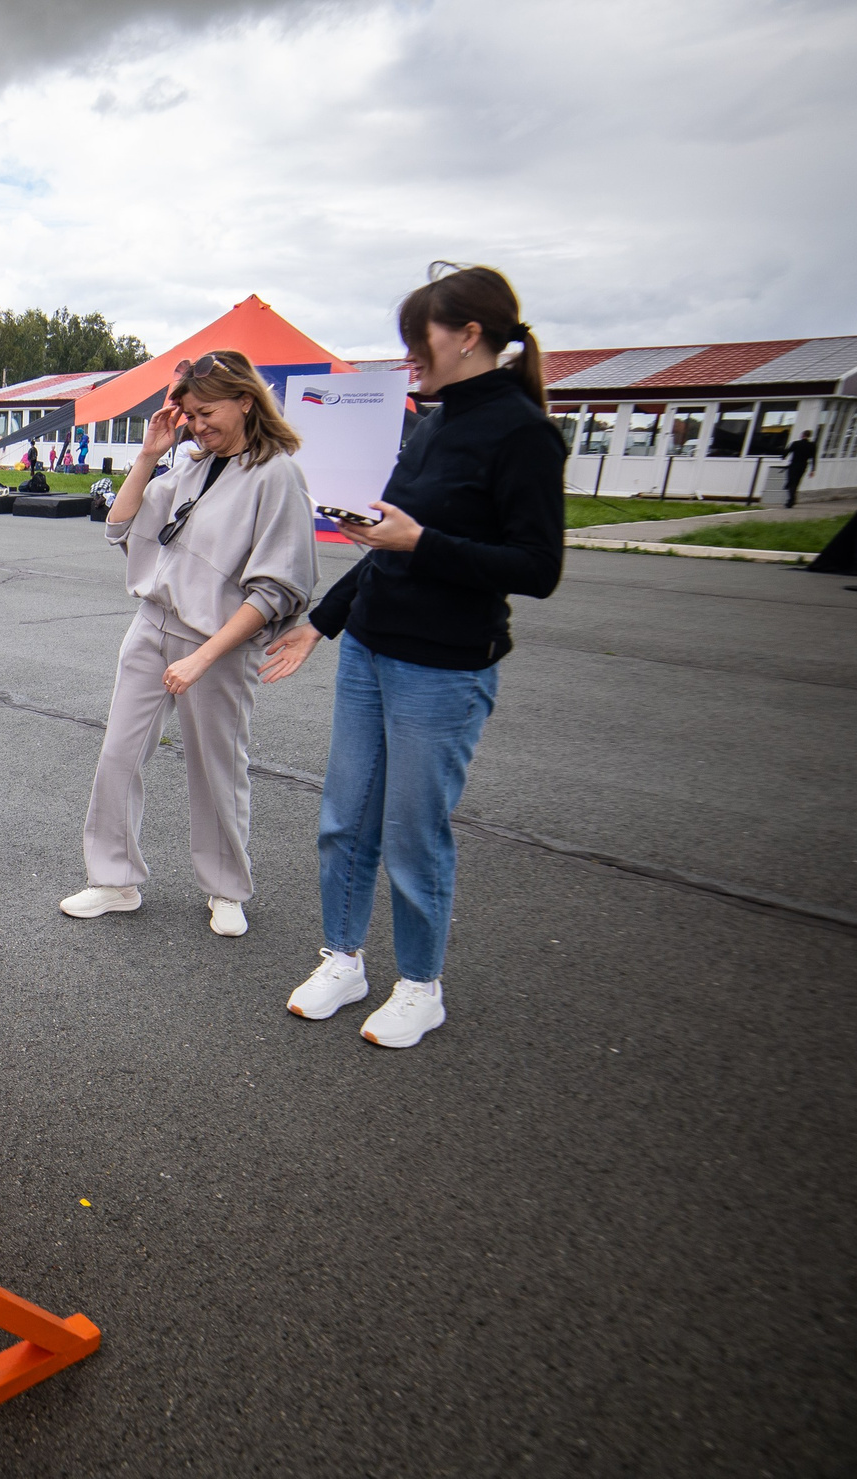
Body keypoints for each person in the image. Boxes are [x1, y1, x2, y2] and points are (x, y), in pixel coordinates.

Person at [259, 263, 565, 1049]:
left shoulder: (524, 433)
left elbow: (537, 567)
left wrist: (422, 541)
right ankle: (344, 959)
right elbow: (390, 546)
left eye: (417, 340)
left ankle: (421, 984)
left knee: (412, 830)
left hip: (446, 666)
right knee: (343, 820)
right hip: (370, 647)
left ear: (470, 335)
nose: (408, 359)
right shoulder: (431, 422)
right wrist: (321, 624)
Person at [60, 352, 318, 937]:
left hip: (220, 643)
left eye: (207, 412)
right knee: (118, 755)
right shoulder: (192, 466)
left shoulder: (276, 475)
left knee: (217, 769)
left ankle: (226, 890)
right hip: (154, 624)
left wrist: (204, 656)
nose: (197, 425)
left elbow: (277, 587)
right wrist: (150, 454)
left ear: (245, 401)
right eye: (190, 414)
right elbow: (119, 527)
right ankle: (115, 879)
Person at [783, 431, 817, 508]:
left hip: (794, 465)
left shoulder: (795, 443)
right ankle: (791, 500)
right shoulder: (812, 445)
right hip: (803, 466)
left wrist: (783, 455)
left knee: (791, 482)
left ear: (802, 435)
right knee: (797, 482)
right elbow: (813, 458)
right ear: (809, 436)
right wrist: (813, 469)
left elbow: (786, 452)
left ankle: (791, 500)